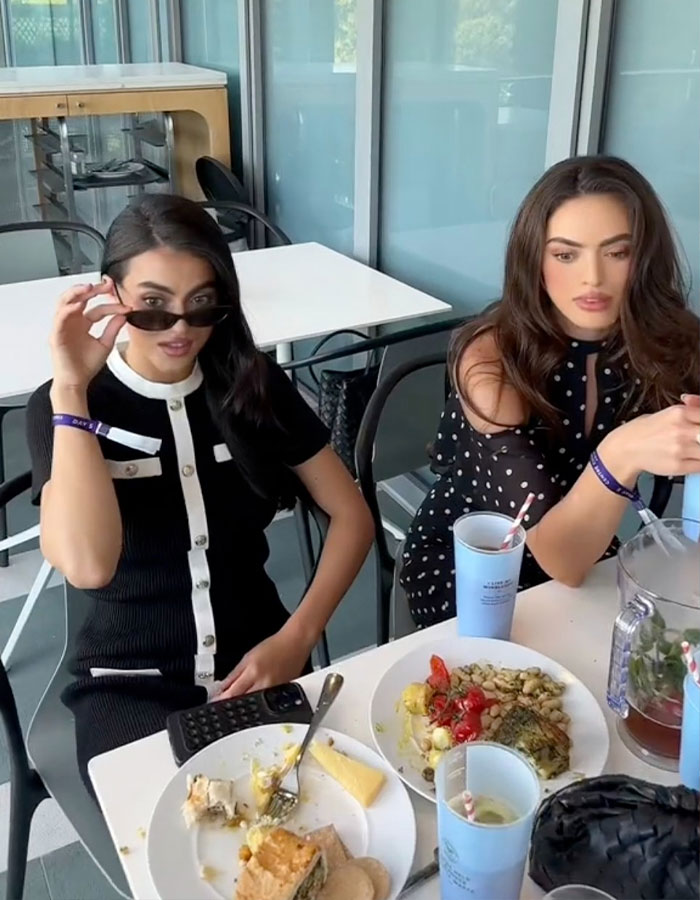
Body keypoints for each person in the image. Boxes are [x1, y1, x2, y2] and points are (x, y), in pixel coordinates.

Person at [26, 194, 374, 784]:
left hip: (261, 658)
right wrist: (69, 391)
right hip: (129, 684)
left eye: (202, 306)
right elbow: (88, 565)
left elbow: (352, 515)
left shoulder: (252, 385)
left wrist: (299, 635)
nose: (181, 329)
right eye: (154, 308)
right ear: (111, 295)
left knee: (305, 822)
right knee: (181, 839)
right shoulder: (66, 406)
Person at [400, 155, 700, 628]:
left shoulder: (664, 342)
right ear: (534, 259)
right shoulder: (491, 358)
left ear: (644, 257)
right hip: (475, 559)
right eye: (565, 254)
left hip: (590, 546)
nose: (593, 279)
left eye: (617, 252)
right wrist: (623, 451)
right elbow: (556, 557)